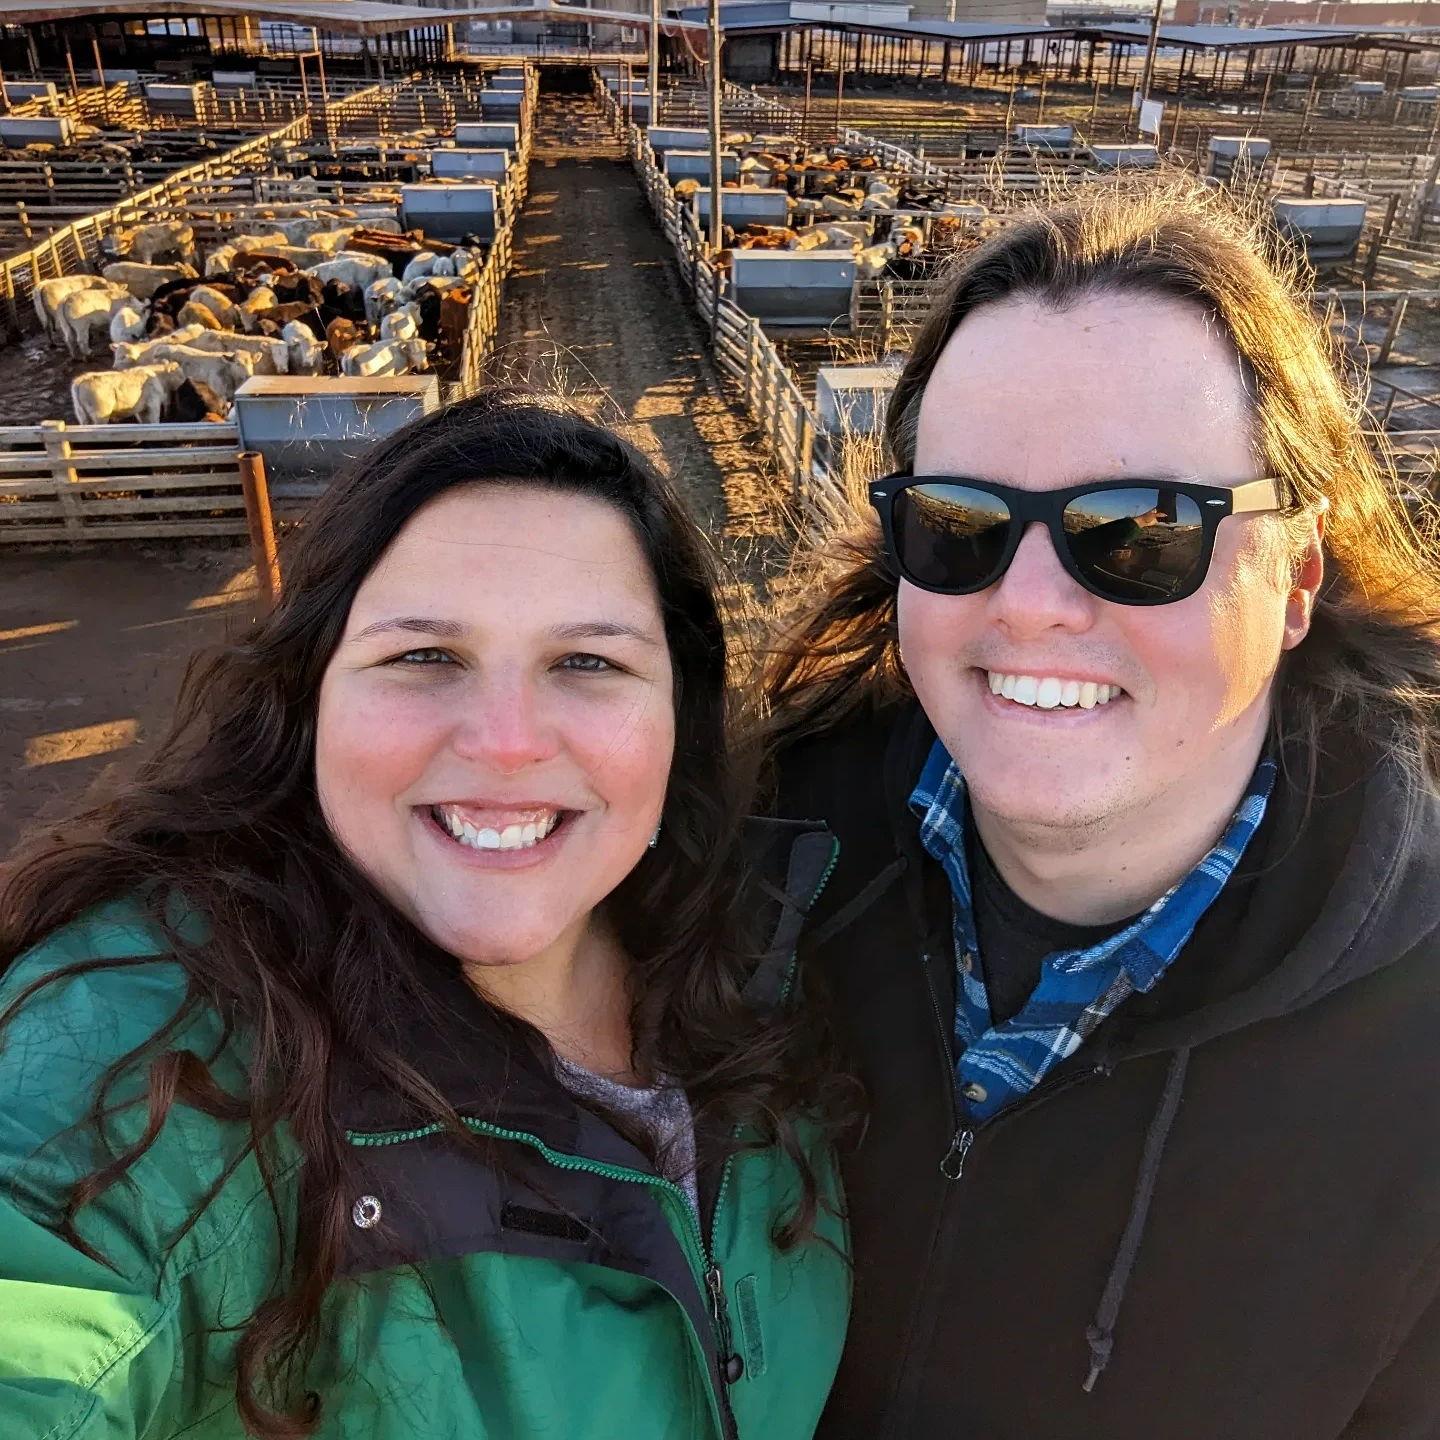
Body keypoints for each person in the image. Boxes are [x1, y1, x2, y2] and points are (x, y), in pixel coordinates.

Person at [0, 393, 851, 1440]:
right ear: (309, 694)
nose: (504, 742)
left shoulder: (766, 980)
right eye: (422, 657)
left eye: (588, 663)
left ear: (681, 709)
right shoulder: (142, 1058)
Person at [766, 181, 1440, 1439]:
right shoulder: (758, 870)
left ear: (1296, 578)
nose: (1028, 603)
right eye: (960, 523)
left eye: (1136, 531)